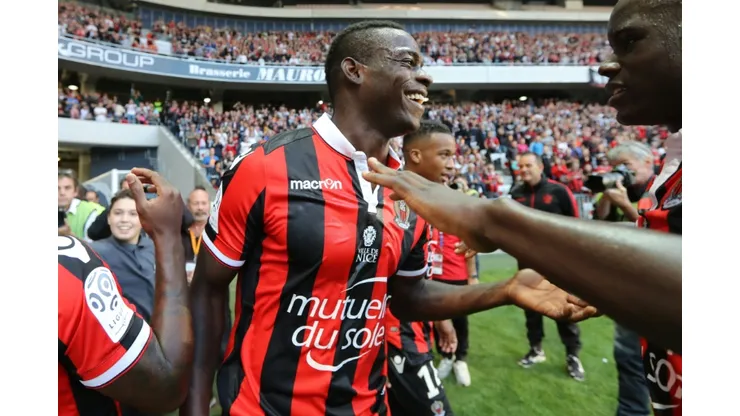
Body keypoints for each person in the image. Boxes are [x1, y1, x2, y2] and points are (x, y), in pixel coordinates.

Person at [181, 20, 589, 416]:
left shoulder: (413, 193)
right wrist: (195, 405)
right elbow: (208, 290)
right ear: (354, 71)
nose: (425, 77)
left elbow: (408, 296)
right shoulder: (265, 168)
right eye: (408, 62)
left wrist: (506, 290)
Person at [360, 0, 682, 356]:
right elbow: (406, 296)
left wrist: (493, 221)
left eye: (630, 42)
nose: (606, 64)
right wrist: (507, 269)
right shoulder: (675, 162)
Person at [58, 168, 193, 415]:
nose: (124, 219)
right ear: (107, 218)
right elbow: (167, 389)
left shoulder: (151, 249)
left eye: (132, 213)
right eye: (118, 213)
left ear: (142, 219)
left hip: (150, 346)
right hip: (118, 362)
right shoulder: (88, 256)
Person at [385, 121, 458, 416]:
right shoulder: (393, 202)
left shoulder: (428, 203)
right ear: (415, 155)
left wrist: (440, 317)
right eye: (444, 155)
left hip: (414, 326)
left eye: (453, 156)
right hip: (396, 334)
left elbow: (418, 276)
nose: (451, 165)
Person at [509, 152, 585, 381]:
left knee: (564, 308)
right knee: (530, 309)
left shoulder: (559, 191)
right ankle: (536, 350)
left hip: (558, 264)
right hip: (527, 263)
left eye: (528, 165)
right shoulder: (515, 193)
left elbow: (575, 225)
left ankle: (572, 355)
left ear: (540, 167)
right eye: (521, 166)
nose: (524, 170)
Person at [594, 142, 656, 416]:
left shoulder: (664, 191)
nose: (621, 172)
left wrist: (626, 206)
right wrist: (608, 198)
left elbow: (661, 241)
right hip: (629, 290)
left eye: (626, 166)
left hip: (662, 291)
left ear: (648, 161)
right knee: (628, 358)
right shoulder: (620, 191)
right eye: (616, 167)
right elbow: (600, 224)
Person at [88, 178, 194, 242]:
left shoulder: (152, 208)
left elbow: (187, 220)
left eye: (134, 190)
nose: (130, 194)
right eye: (126, 190)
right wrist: (116, 208)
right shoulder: (114, 210)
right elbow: (93, 232)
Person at [59, 170, 105, 241]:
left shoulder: (89, 211)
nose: (62, 193)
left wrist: (69, 235)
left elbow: (93, 245)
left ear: (76, 191)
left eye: (67, 188)